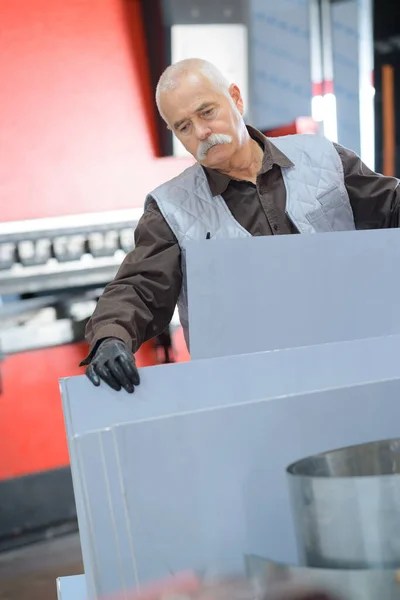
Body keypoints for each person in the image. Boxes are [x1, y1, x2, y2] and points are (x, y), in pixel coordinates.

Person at [81, 57, 400, 393]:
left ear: (235, 98)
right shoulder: (170, 209)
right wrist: (110, 337)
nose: (201, 132)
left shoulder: (323, 159)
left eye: (206, 112)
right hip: (251, 390)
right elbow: (140, 287)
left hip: (355, 367)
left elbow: (391, 206)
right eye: (184, 126)